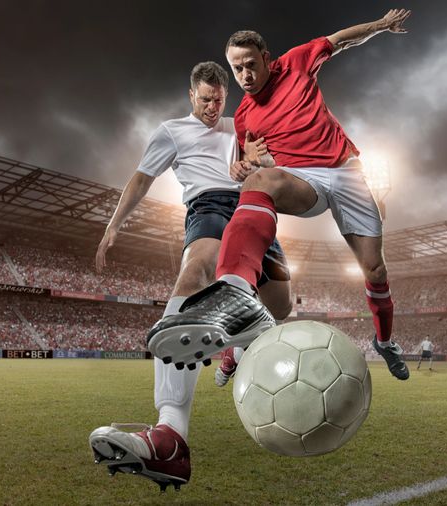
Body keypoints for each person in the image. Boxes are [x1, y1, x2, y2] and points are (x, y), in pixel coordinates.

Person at [146, 9, 413, 381]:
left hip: (347, 171)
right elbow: (246, 165)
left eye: (251, 65)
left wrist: (380, 26)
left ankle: (385, 341)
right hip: (304, 180)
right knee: (260, 184)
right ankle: (235, 289)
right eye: (237, 69)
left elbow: (340, 39)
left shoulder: (297, 63)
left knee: (375, 269)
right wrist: (243, 166)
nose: (245, 76)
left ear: (267, 58)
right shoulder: (243, 118)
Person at [88, 61, 293, 491]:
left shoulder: (240, 125)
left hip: (255, 208)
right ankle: (170, 435)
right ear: (190, 95)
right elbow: (141, 180)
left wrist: (261, 159)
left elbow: (272, 162)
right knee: (196, 270)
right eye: (205, 100)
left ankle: (234, 349)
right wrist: (113, 226)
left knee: (280, 307)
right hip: (209, 207)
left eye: (219, 99)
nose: (212, 107)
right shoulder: (172, 131)